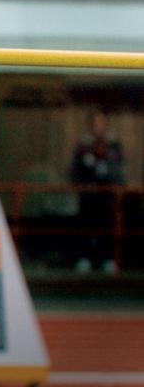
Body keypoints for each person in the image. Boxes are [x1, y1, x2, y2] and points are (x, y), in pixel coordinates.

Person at [69, 110, 123, 274]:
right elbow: (76, 168)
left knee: (106, 226)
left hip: (106, 195)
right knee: (87, 226)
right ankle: (85, 258)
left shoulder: (113, 144)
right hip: (88, 194)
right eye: (95, 123)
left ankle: (107, 259)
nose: (98, 126)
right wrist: (80, 184)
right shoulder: (83, 145)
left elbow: (118, 167)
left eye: (101, 122)